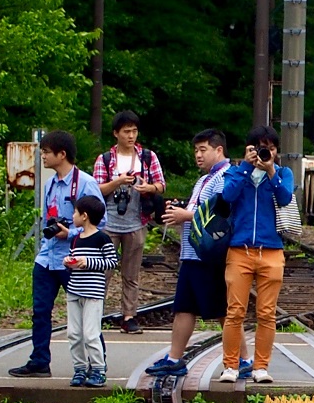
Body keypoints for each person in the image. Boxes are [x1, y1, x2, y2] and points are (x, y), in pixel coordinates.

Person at [9, 130, 102, 379]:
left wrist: (69, 234)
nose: (42, 156)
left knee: (85, 313)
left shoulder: (85, 183)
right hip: (47, 258)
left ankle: (96, 365)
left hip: (73, 259)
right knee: (40, 311)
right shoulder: (50, 183)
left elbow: (99, 224)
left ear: (62, 154)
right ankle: (39, 360)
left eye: (47, 152)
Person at [145, 129, 233, 378]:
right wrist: (180, 211)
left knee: (222, 311)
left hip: (209, 255)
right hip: (192, 255)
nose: (198, 155)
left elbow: (221, 214)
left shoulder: (225, 177)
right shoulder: (203, 180)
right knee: (184, 307)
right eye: (196, 150)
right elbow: (199, 210)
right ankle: (174, 358)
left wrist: (186, 215)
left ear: (219, 150)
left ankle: (240, 358)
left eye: (203, 149)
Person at [216, 125, 295, 384]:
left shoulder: (283, 173)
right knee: (235, 311)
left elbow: (285, 198)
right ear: (248, 149)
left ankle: (261, 366)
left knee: (266, 313)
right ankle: (231, 365)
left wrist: (270, 170)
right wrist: (246, 168)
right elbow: (228, 196)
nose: (265, 152)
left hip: (271, 251)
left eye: (270, 148)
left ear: (277, 151)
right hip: (240, 250)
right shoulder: (236, 173)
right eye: (260, 148)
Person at [92, 110, 165, 334]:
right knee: (102, 271)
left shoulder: (147, 157)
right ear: (116, 134)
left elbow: (161, 185)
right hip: (108, 223)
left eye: (134, 131)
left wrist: (148, 188)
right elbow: (96, 190)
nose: (131, 136)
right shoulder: (105, 159)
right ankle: (94, 315)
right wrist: (118, 182)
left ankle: (129, 315)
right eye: (126, 132)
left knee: (131, 274)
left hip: (136, 221)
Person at [62, 195, 119, 387]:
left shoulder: (102, 238)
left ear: (84, 216)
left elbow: (112, 262)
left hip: (93, 292)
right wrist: (68, 263)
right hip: (74, 290)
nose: (73, 216)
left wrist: (88, 263)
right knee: (74, 333)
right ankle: (79, 368)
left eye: (75, 212)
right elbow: (73, 258)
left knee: (91, 333)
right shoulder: (76, 239)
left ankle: (98, 369)